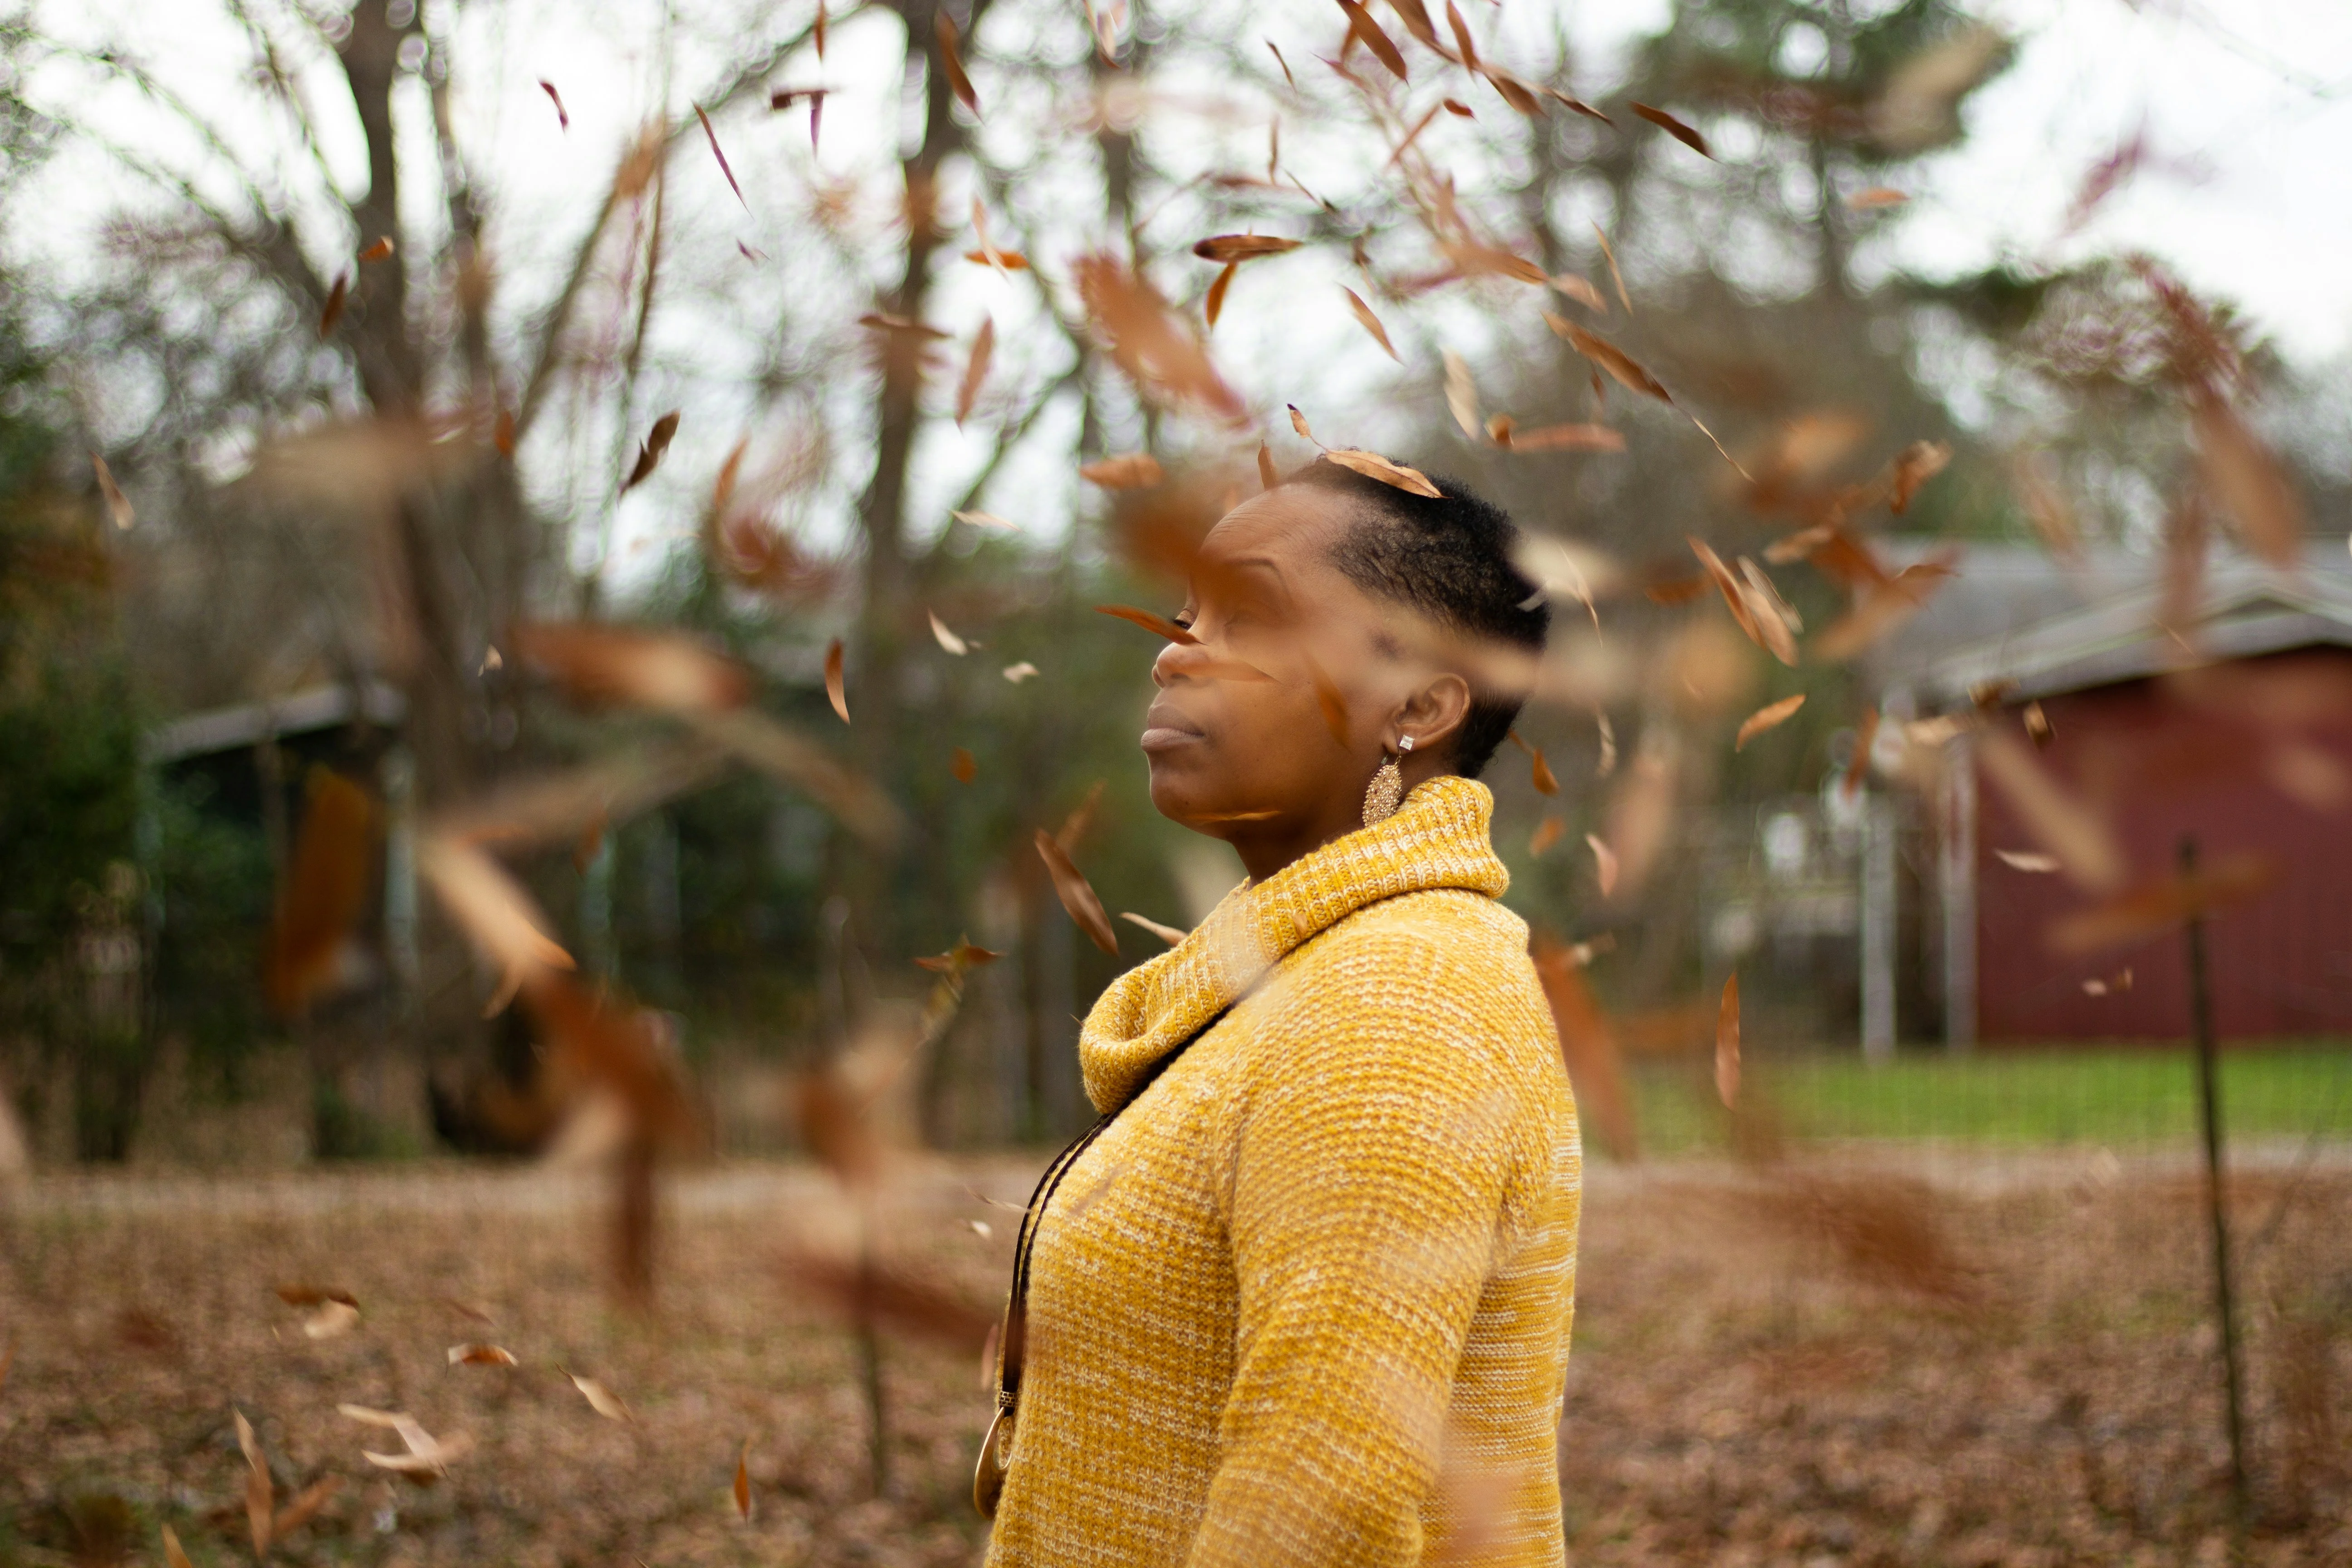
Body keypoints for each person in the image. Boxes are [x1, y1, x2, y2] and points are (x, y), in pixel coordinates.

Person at [979, 456, 1583, 1568]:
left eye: (1249, 615)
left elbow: (1325, 1504)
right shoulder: (1303, 976)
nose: (1174, 650)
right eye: (1186, 615)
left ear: (1420, 702)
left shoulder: (1398, 1002)